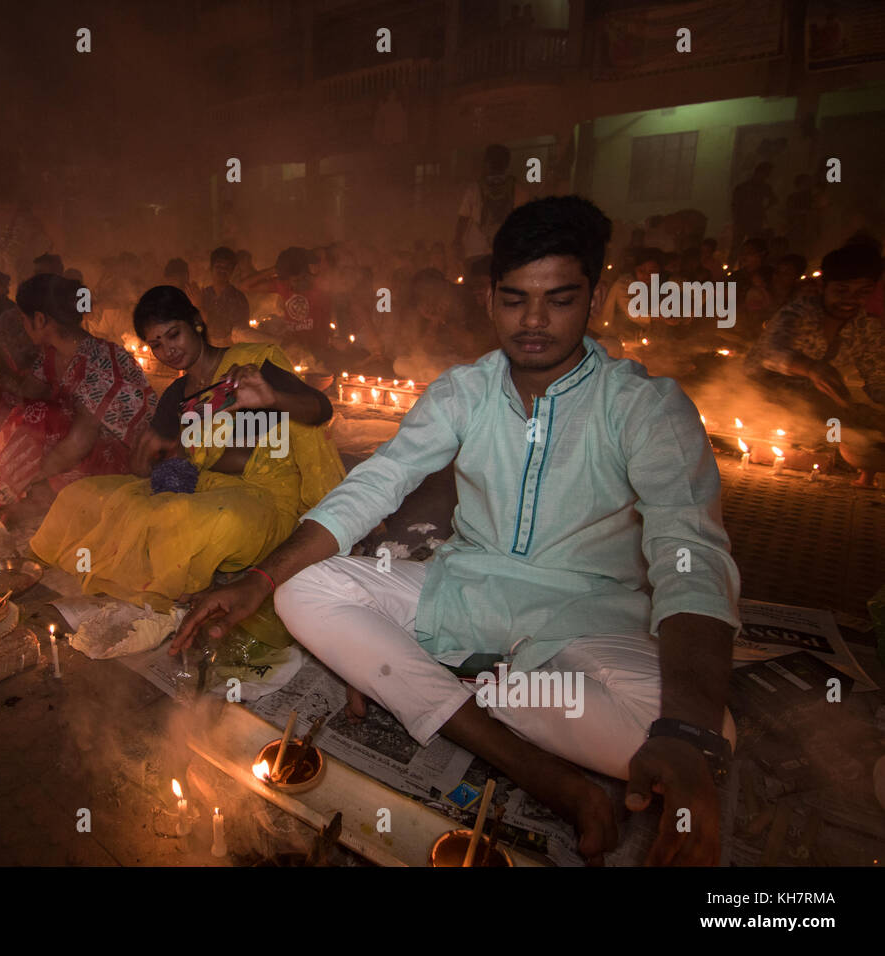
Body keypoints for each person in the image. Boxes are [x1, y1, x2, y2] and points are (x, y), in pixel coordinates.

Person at [173, 196, 742, 866]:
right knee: (304, 592)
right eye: (514, 300)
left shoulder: (646, 408)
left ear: (593, 294)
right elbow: (378, 482)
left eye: (559, 300)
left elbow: (689, 554)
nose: (533, 323)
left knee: (708, 733)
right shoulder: (462, 391)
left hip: (587, 619)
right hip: (463, 592)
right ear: (490, 298)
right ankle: (534, 767)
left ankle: (448, 690)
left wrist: (682, 732)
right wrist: (260, 579)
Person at [29, 286, 344, 608]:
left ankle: (170, 575)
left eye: (173, 334)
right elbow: (146, 470)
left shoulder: (251, 364)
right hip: (204, 491)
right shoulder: (177, 394)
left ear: (196, 322)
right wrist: (146, 455)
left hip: (263, 498)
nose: (169, 350)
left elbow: (320, 409)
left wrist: (273, 398)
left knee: (180, 519)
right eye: (157, 344)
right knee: (80, 496)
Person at [0, 274, 157, 513]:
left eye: (23, 320)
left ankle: (7, 490)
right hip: (72, 451)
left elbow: (78, 443)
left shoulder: (100, 360)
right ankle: (5, 480)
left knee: (39, 416)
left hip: (116, 461)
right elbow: (22, 398)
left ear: (39, 319)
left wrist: (24, 480)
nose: (23, 327)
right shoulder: (52, 354)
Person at [744, 241, 885, 487]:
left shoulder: (867, 327)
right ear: (822, 286)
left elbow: (877, 375)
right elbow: (770, 352)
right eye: (842, 291)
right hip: (761, 394)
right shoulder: (798, 313)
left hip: (815, 402)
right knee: (823, 423)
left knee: (848, 427)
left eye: (862, 292)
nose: (851, 300)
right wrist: (811, 369)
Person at [454, 144, 528, 266]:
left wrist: (457, 242)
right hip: (505, 251)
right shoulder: (517, 189)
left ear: (487, 163)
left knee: (474, 284)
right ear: (507, 164)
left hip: (475, 253)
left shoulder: (474, 188)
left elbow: (463, 219)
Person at [199, 247, 250, 347]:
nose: (222, 270)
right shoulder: (204, 294)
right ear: (211, 268)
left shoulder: (238, 299)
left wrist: (199, 306)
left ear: (232, 271)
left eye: (226, 267)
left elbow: (221, 332)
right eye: (218, 266)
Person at [730, 163, 777, 261]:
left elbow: (774, 199)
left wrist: (764, 209)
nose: (764, 177)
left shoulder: (764, 187)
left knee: (753, 246)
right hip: (742, 220)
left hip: (755, 221)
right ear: (757, 173)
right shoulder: (743, 187)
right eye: (764, 175)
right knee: (737, 246)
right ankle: (731, 267)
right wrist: (736, 219)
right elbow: (734, 204)